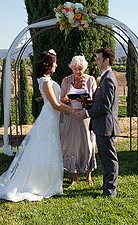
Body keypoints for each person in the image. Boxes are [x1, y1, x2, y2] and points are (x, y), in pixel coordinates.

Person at [0, 50, 73, 201]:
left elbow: (58, 101)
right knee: (45, 148)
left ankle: (50, 182)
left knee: (50, 147)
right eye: (54, 62)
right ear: (48, 64)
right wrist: (73, 111)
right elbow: (54, 104)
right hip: (48, 118)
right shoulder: (46, 81)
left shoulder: (46, 79)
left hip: (51, 117)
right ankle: (39, 184)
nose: (56, 64)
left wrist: (70, 98)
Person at [75, 47, 120, 197]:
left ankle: (110, 191)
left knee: (109, 159)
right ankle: (107, 186)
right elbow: (100, 103)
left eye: (98, 58)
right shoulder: (105, 78)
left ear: (106, 60)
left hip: (106, 126)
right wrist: (87, 102)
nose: (96, 61)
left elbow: (106, 106)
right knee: (106, 158)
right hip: (102, 126)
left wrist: (86, 112)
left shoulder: (108, 79)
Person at [59, 55, 97, 186]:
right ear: (72, 68)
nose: (77, 72)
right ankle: (74, 176)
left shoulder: (91, 80)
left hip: (86, 117)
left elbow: (95, 100)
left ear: (84, 68)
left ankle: (88, 175)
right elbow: (60, 100)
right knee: (72, 145)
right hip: (71, 117)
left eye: (80, 69)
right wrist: (69, 98)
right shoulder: (66, 80)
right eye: (75, 69)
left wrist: (85, 100)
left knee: (88, 145)